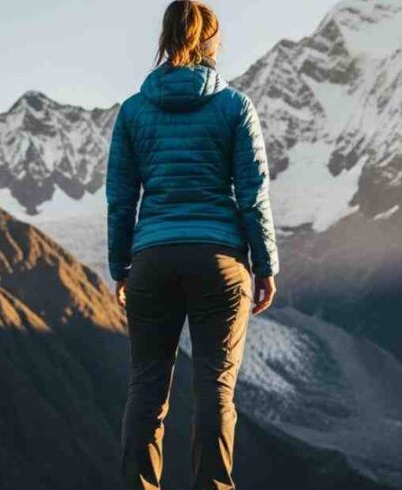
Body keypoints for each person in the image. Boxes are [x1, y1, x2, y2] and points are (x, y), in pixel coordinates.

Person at [105, 1, 279, 488]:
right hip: (219, 260)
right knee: (215, 391)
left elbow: (121, 199)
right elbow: (252, 193)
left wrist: (122, 267)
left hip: (153, 262)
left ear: (165, 37)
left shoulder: (134, 111)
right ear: (210, 41)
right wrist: (265, 266)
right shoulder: (234, 107)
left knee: (146, 386)